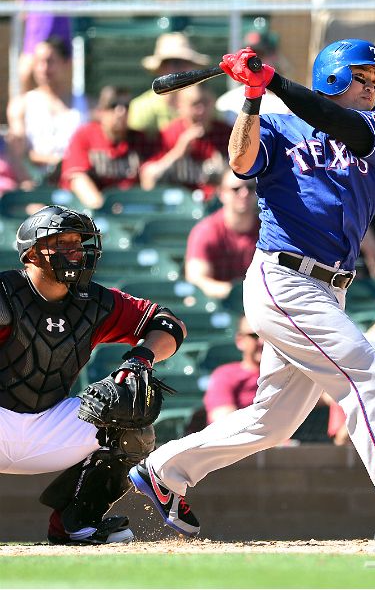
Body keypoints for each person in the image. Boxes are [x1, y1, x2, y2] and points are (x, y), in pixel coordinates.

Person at [128, 38, 375, 545]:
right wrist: (253, 97)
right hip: (284, 278)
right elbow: (240, 161)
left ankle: (164, 470)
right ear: (334, 77)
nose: (373, 87)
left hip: (329, 287)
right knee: (366, 372)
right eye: (363, 77)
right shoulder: (277, 124)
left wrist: (272, 81)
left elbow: (334, 123)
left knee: (274, 421)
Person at [0, 205, 188, 545]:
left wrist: (142, 358)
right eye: (61, 243)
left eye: (78, 242)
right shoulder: (5, 292)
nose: (74, 251)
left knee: (131, 419)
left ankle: (76, 525)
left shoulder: (94, 302)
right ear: (32, 254)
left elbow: (169, 323)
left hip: (48, 426)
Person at [7, 37, 89, 187]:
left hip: (79, 182)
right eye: (38, 62)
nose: (43, 68)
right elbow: (18, 151)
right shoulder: (20, 105)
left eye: (50, 61)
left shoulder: (88, 105)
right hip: (37, 185)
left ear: (66, 63)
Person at [60, 85, 156, 210]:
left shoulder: (139, 139)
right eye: (113, 105)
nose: (121, 111)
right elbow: (77, 178)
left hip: (132, 208)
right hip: (95, 210)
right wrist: (103, 208)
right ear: (100, 111)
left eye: (126, 106)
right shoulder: (85, 135)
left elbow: (150, 174)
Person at [140, 84, 232, 200]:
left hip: (217, 202)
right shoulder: (169, 134)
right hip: (179, 204)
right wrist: (177, 153)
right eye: (194, 104)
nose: (201, 110)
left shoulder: (226, 133)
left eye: (205, 103)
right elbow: (148, 180)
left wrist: (225, 169)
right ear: (180, 106)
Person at [184, 168, 259, 300]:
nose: (244, 193)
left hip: (260, 304)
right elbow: (196, 280)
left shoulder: (268, 230)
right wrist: (237, 293)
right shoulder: (206, 231)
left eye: (250, 187)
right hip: (217, 304)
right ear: (221, 193)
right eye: (236, 189)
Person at [128, 33, 211, 138]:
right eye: (174, 63)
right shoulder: (141, 108)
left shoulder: (207, 104)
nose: (181, 69)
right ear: (160, 68)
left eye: (186, 62)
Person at [15, 0, 88, 93]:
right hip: (35, 33)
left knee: (65, 77)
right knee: (25, 74)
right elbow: (21, 5)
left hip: (60, 33)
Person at [215, 29, 290, 126]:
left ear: (274, 56)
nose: (253, 62)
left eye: (260, 55)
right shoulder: (226, 102)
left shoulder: (291, 99)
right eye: (248, 58)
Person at [204, 316, 262, 424]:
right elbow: (223, 423)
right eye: (255, 336)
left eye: (268, 337)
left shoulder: (289, 372)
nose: (262, 341)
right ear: (240, 340)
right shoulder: (226, 375)